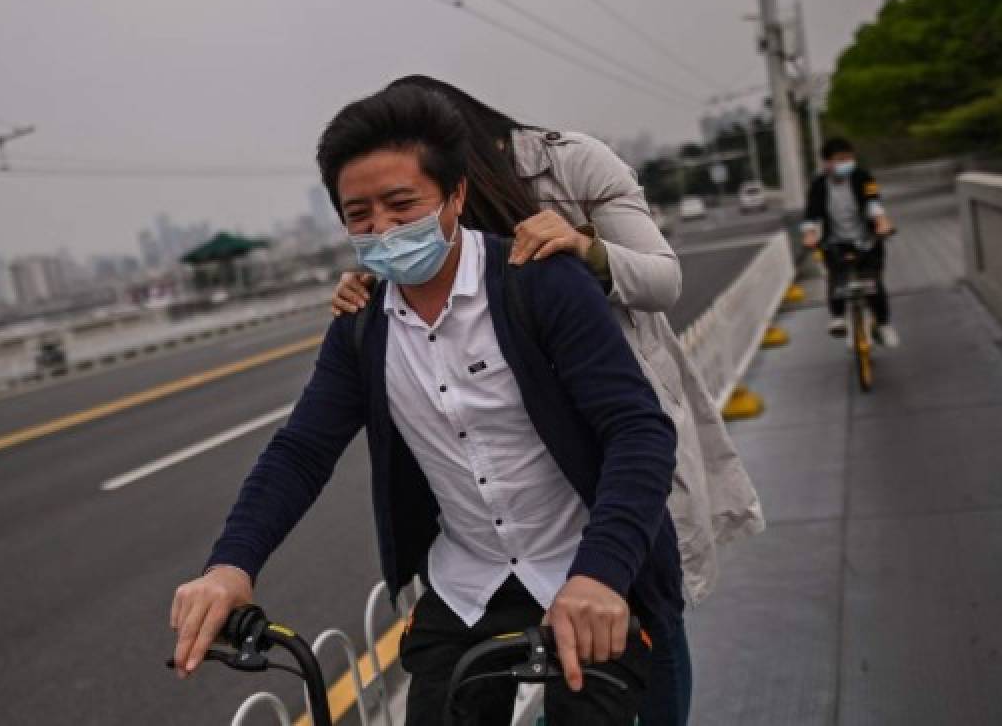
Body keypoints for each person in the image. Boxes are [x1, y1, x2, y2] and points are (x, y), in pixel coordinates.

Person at [170, 84, 684, 725]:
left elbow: (638, 431)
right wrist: (229, 567)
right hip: (469, 584)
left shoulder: (541, 282)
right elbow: (301, 450)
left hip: (587, 571)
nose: (381, 228)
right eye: (359, 214)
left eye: (401, 204)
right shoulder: (362, 326)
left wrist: (603, 575)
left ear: (457, 195)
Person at [332, 74, 766, 724]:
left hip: (617, 415)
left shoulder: (569, 162)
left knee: (647, 603)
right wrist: (372, 279)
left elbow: (662, 279)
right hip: (529, 450)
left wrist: (585, 250)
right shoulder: (425, 207)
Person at [801, 136, 899, 347]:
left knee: (873, 284)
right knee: (837, 281)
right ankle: (837, 317)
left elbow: (873, 203)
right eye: (840, 159)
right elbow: (811, 214)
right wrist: (809, 234)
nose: (846, 163)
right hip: (836, 241)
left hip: (867, 239)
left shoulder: (863, 177)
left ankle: (883, 325)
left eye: (849, 158)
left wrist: (882, 223)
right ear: (827, 163)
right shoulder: (818, 185)